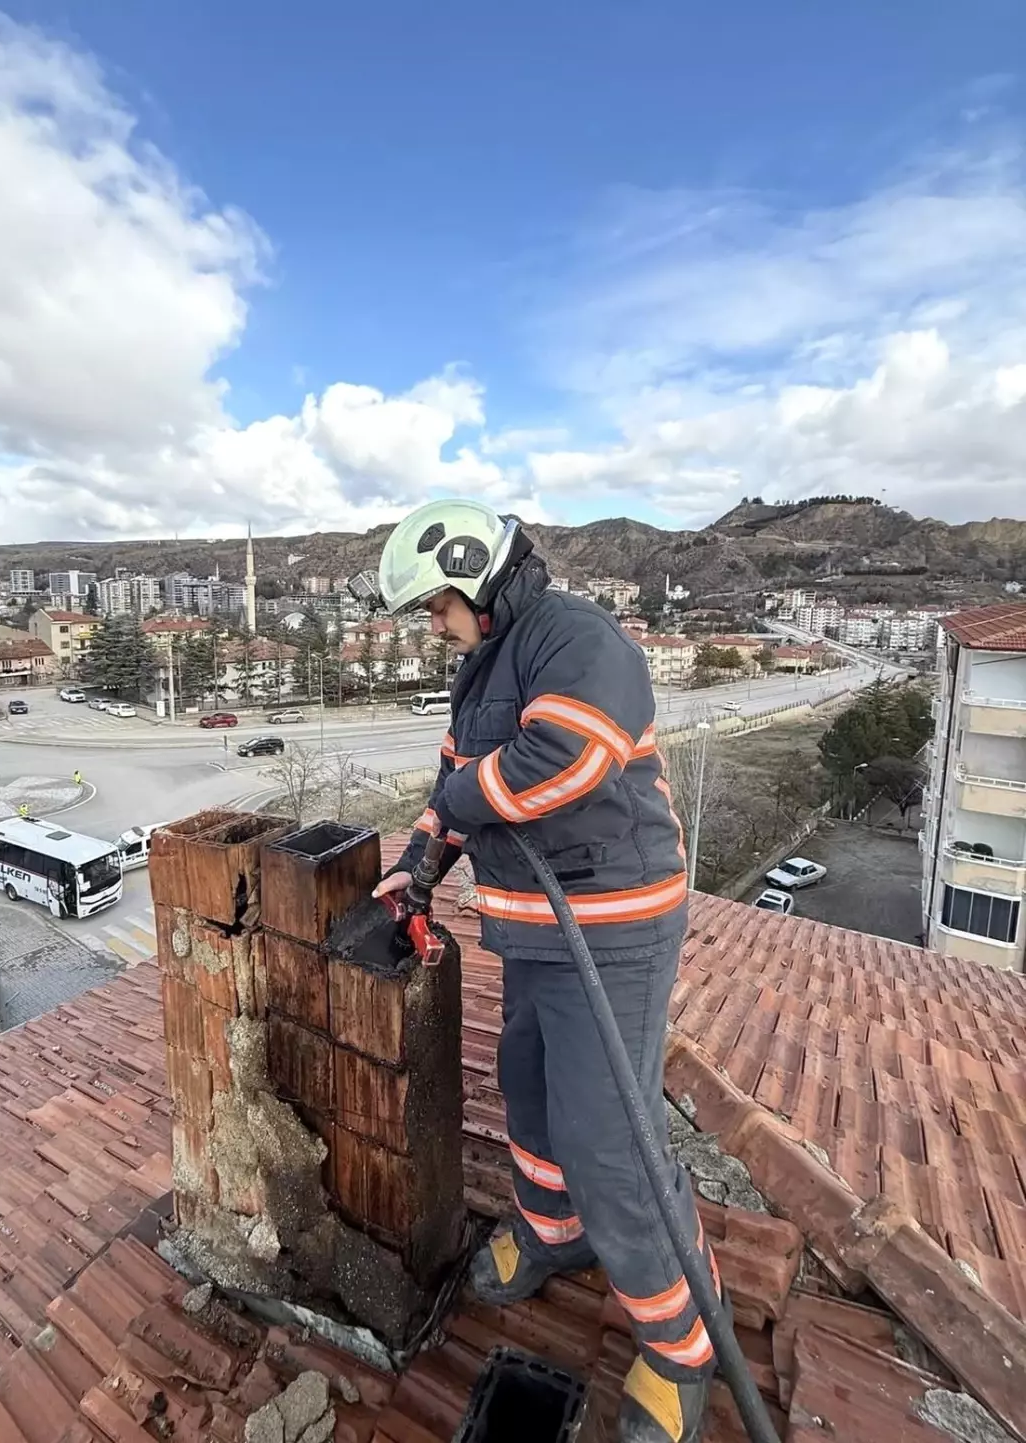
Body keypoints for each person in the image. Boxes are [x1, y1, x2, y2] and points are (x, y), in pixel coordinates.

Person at [372, 499, 724, 1443]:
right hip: (535, 931)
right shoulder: (481, 668)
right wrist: (418, 860)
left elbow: (566, 756)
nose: (433, 627)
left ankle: (681, 1340)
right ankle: (554, 1231)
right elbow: (455, 790)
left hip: (611, 926)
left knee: (607, 1135)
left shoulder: (576, 636)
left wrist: (458, 796)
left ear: (478, 579)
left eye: (437, 607)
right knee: (525, 1083)